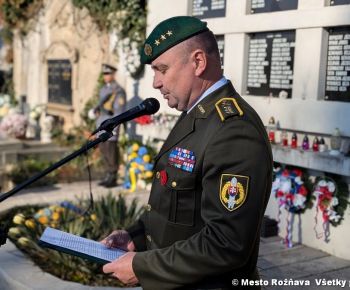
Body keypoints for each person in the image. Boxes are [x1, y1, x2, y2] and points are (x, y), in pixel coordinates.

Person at [101, 16, 273, 290]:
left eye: (162, 69)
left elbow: (226, 243)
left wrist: (142, 267)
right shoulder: (195, 114)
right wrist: (136, 236)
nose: (156, 82)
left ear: (198, 62)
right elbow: (178, 209)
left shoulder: (233, 130)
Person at [94, 64, 126, 188]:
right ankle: (107, 175)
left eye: (108, 74)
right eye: (104, 74)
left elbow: (119, 111)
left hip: (110, 126)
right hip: (101, 124)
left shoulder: (118, 90)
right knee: (104, 151)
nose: (106, 76)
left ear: (113, 75)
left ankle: (112, 177)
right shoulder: (103, 89)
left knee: (111, 152)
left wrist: (115, 127)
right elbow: (100, 106)